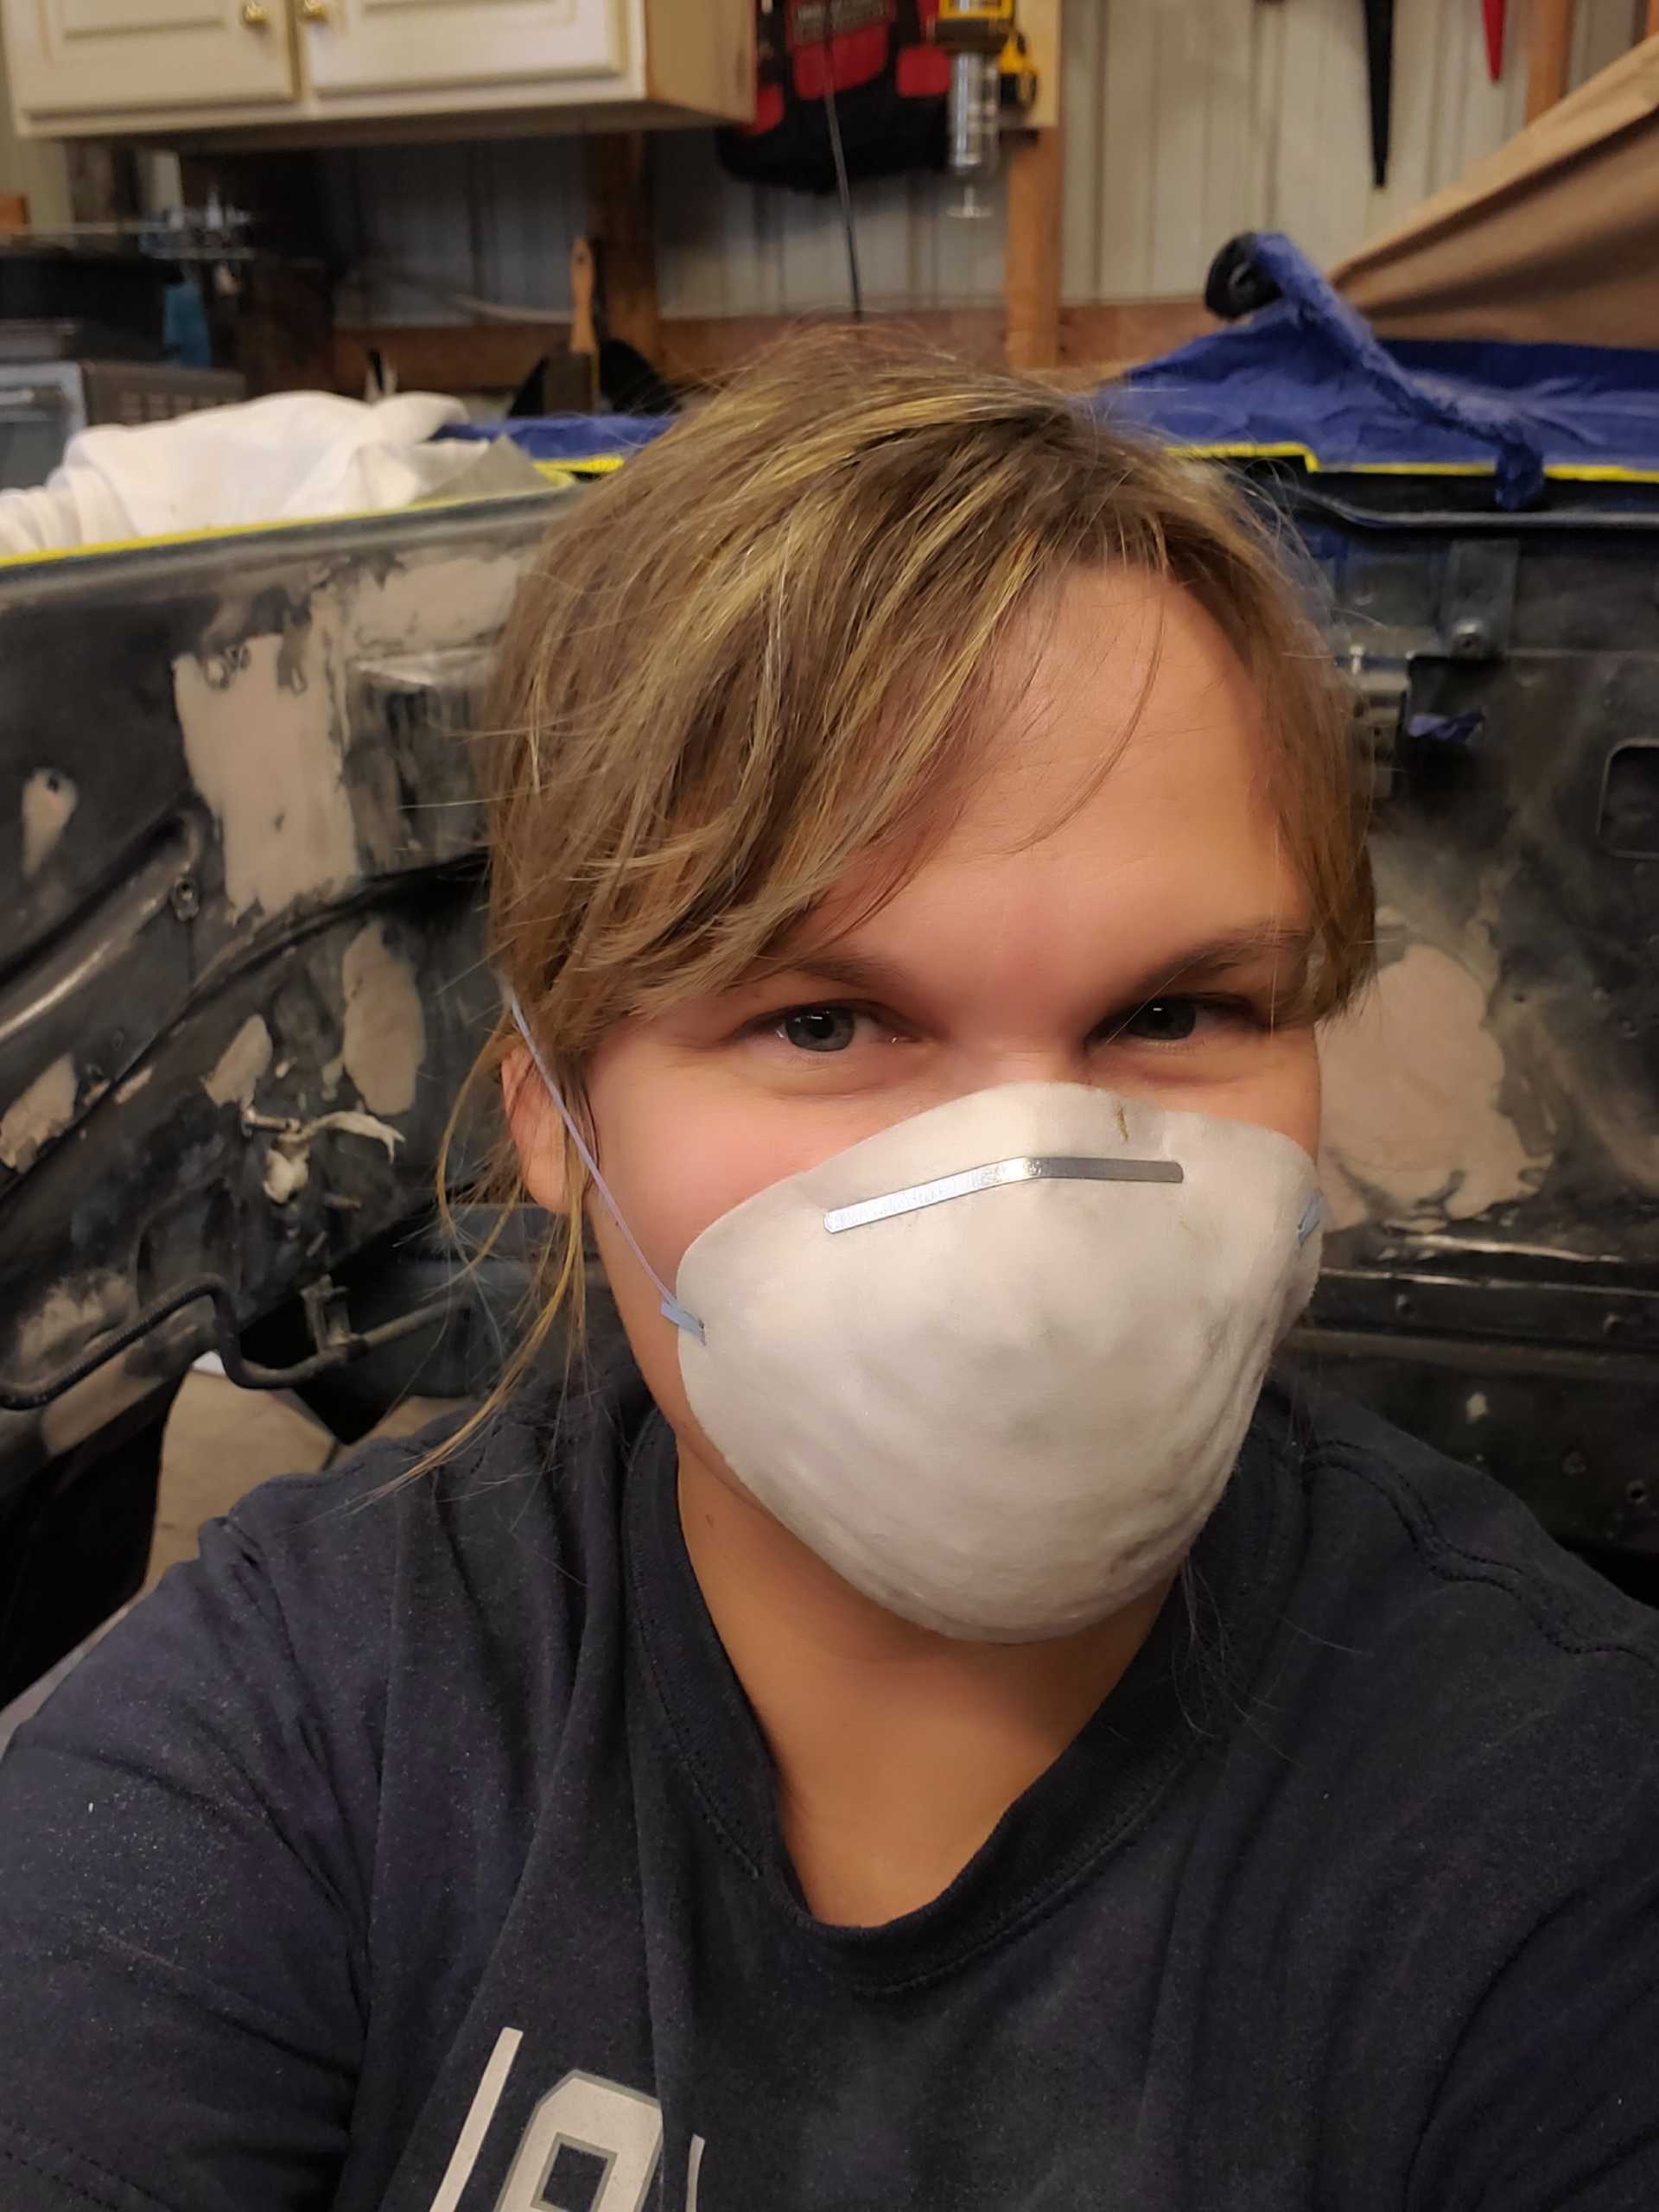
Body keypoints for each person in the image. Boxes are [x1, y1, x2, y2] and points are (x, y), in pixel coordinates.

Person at [3, 340, 1658, 2212]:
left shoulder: (1557, 1831)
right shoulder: (313, 1723)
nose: (1034, 1237)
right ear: (551, 1109)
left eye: (1178, 1009)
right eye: (824, 1021)